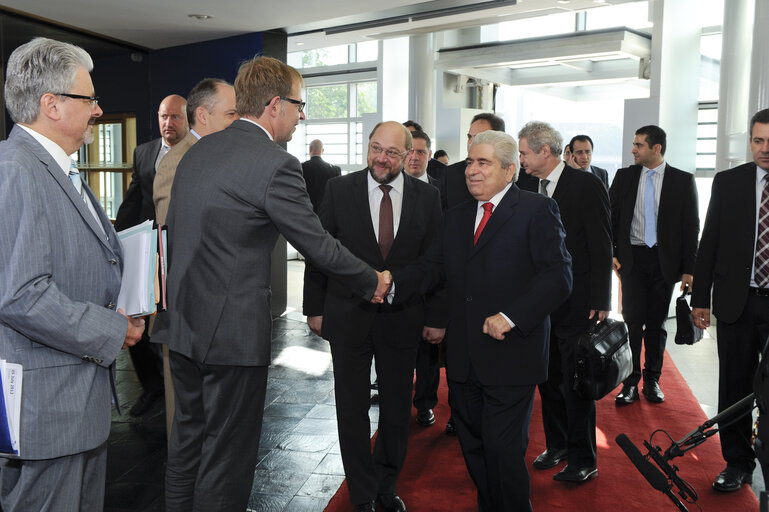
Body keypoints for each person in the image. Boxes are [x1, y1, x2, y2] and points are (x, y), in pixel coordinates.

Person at [162, 56, 391, 512]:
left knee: (187, 445)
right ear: (274, 105)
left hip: (183, 325)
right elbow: (317, 245)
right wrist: (373, 279)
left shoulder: (196, 149)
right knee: (226, 458)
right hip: (231, 336)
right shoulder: (275, 163)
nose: (302, 114)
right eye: (299, 105)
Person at [0, 37, 144, 511]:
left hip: (73, 400)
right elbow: (21, 295)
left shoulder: (56, 168)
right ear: (51, 104)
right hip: (47, 407)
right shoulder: (16, 170)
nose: (98, 110)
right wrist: (112, 327)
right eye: (89, 99)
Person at [393, 130, 572, 511]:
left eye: (483, 163)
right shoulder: (456, 216)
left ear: (509, 171)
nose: (471, 170)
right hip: (463, 357)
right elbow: (432, 269)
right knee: (473, 446)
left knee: (504, 450)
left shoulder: (537, 210)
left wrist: (512, 316)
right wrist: (389, 283)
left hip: (512, 357)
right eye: (470, 161)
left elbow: (558, 277)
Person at [303, 122, 444, 512]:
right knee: (351, 407)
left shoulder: (428, 197)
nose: (382, 158)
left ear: (410, 155)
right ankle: (362, 492)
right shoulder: (338, 189)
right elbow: (319, 250)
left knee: (398, 408)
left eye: (392, 152)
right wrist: (314, 308)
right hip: (347, 314)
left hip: (403, 318)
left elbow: (435, 262)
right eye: (376, 148)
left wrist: (436, 315)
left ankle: (387, 485)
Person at [517, 121, 612, 483]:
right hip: (538, 300)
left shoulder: (586, 184)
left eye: (524, 152)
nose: (520, 159)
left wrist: (602, 297)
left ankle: (583, 457)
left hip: (577, 299)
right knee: (548, 376)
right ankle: (556, 445)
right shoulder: (524, 185)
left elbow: (602, 244)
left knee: (576, 381)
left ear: (545, 150)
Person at [692, 108, 769, 492]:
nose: (764, 149)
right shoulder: (729, 181)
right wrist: (699, 298)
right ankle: (737, 463)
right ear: (749, 141)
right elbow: (710, 242)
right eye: (758, 140)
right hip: (736, 301)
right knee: (734, 385)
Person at [609, 125, 699, 405]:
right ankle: (630, 382)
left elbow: (690, 226)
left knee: (657, 324)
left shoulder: (682, 180)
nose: (633, 150)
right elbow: (610, 216)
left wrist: (689, 268)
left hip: (665, 261)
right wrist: (611, 251)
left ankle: (652, 380)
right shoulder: (624, 177)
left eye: (639, 145)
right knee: (633, 322)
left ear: (656, 148)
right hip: (632, 259)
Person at [115, 93, 188, 416]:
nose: (167, 123)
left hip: (184, 253)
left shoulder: (197, 153)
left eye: (174, 117)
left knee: (175, 326)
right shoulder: (144, 152)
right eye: (162, 116)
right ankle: (153, 389)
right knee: (138, 320)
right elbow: (133, 201)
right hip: (146, 252)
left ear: (188, 119)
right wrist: (117, 244)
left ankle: (180, 394)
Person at [402, 130, 444, 427]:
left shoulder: (442, 191)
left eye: (421, 152)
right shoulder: (386, 189)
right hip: (398, 287)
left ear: (429, 155)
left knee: (428, 354)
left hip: (431, 288)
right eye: (410, 151)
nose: (414, 157)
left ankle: (425, 403)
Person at [154, 78, 238, 226]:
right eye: (231, 114)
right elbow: (170, 231)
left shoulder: (225, 153)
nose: (237, 121)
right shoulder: (175, 163)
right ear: (203, 116)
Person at [440, 112, 505, 211]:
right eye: (470, 137)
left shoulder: (513, 175)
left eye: (479, 137)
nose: (471, 143)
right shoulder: (451, 174)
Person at [301, 138, 342, 214]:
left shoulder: (301, 167)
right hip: (326, 212)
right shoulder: (335, 170)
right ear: (322, 150)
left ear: (310, 149)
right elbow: (337, 194)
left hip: (306, 211)